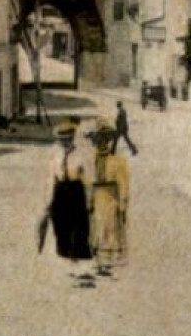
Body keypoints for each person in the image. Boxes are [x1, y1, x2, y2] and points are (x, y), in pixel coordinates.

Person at [41, 118, 94, 282]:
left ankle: (76, 263)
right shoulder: (55, 155)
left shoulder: (81, 155)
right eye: (61, 140)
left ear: (72, 139)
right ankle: (68, 262)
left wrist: (90, 200)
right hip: (60, 192)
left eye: (67, 140)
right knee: (61, 226)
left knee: (78, 227)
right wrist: (48, 200)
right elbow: (51, 177)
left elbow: (89, 178)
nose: (64, 143)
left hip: (75, 190)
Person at [88, 123, 130, 273]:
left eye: (104, 140)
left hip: (111, 198)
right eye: (98, 141)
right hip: (96, 198)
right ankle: (98, 260)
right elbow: (88, 182)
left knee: (109, 228)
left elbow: (123, 183)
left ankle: (108, 261)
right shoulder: (91, 160)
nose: (101, 144)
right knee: (96, 229)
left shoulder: (117, 161)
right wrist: (89, 200)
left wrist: (123, 202)